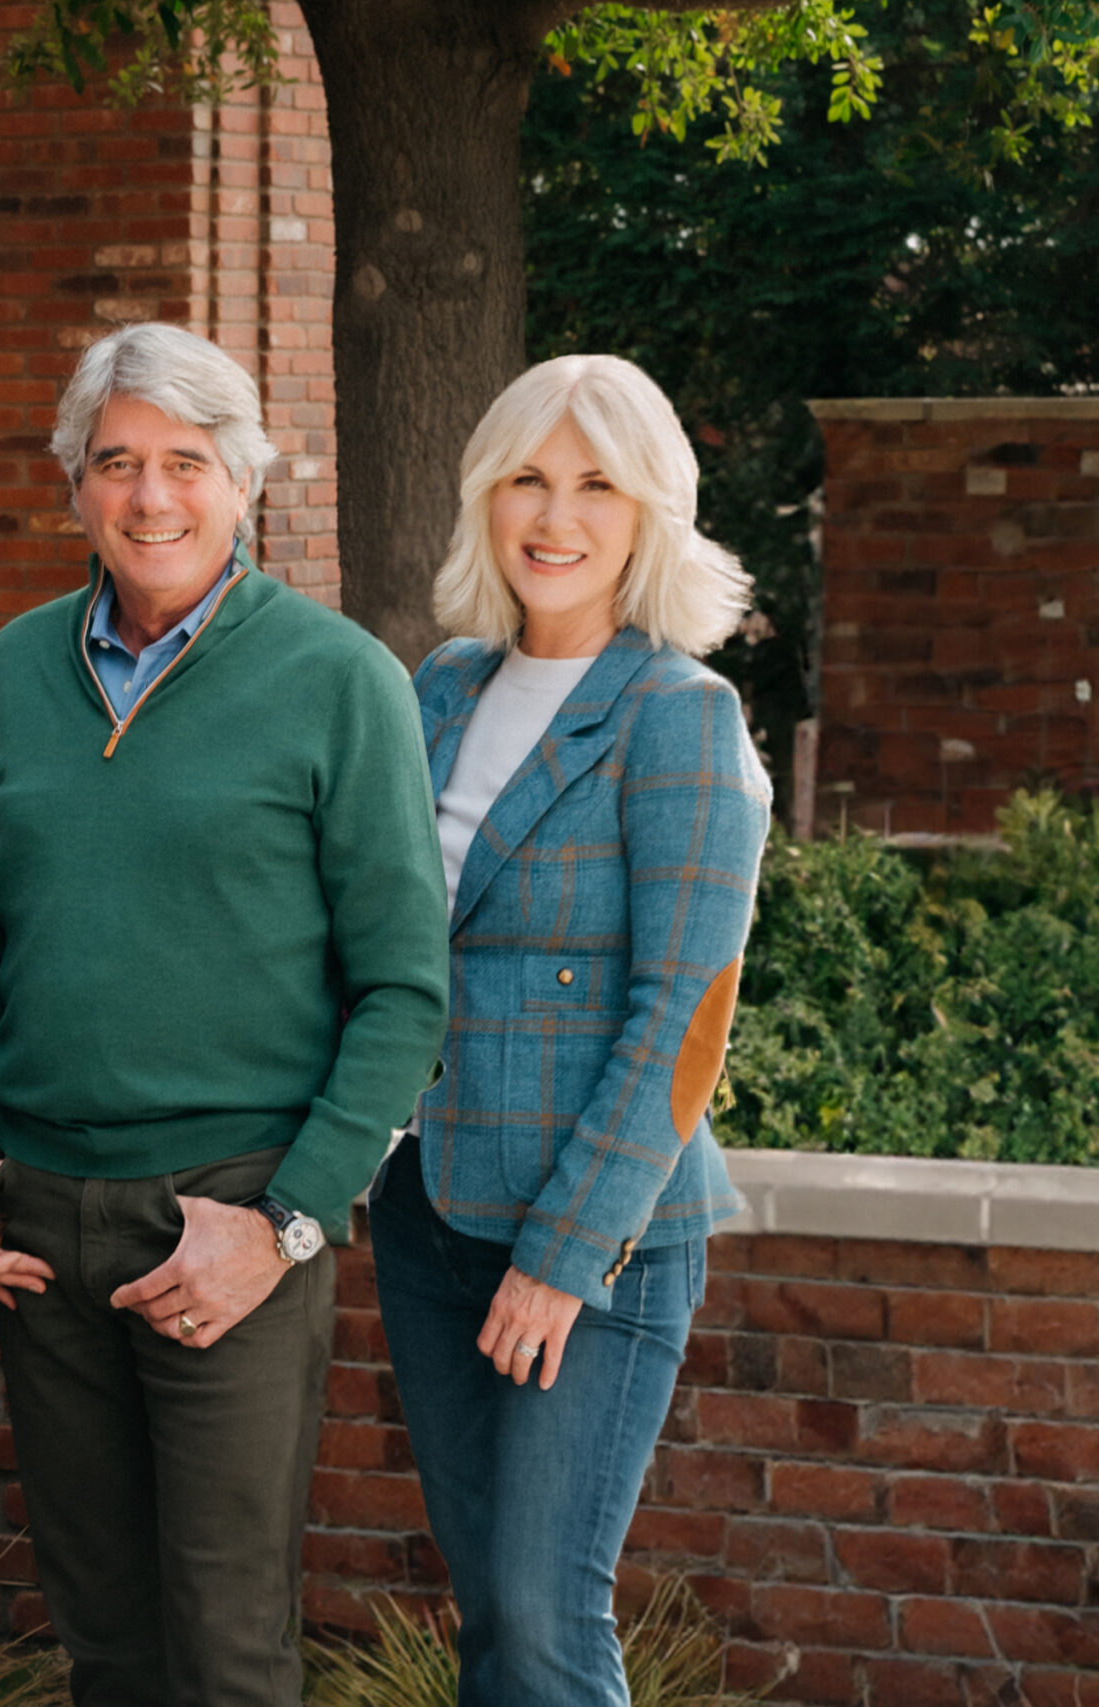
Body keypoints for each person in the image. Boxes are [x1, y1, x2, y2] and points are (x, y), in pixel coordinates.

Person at [0, 322, 448, 1707]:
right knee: (104, 1644)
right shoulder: (18, 669)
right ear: (74, 483)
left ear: (243, 480)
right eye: (117, 462)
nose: (151, 497)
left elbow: (403, 992)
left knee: (227, 1649)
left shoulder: (340, 681)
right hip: (43, 1220)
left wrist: (284, 1223)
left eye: (187, 462)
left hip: (230, 1212)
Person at [373, 353, 767, 1707]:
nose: (555, 516)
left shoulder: (680, 718)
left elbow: (683, 1021)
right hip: (428, 1212)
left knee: (546, 1619)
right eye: (527, 479)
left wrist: (562, 1259)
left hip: (597, 1240)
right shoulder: (440, 689)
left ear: (651, 510)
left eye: (597, 484)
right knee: (489, 1607)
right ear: (485, 497)